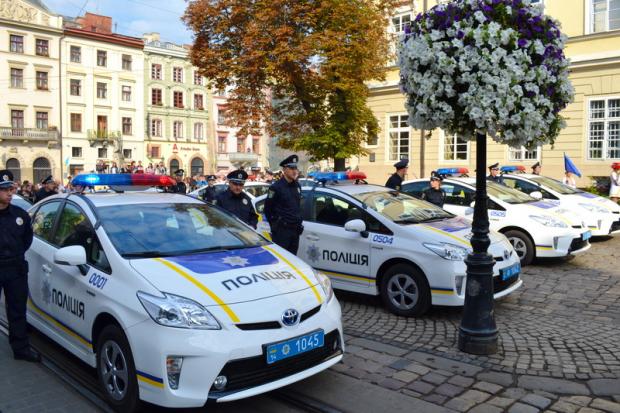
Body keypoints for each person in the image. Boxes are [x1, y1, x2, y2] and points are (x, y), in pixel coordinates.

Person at [0, 170, 40, 362]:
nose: (9, 193)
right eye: (4, 189)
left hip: (15, 268)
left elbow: (27, 240)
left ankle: (21, 349)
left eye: (11, 188)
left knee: (17, 310)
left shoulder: (20, 215)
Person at [264, 155, 303, 254]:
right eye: (291, 168)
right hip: (282, 231)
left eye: (295, 168)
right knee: (282, 259)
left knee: (293, 259)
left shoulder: (297, 186)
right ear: (284, 170)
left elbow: (297, 207)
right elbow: (268, 209)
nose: (294, 171)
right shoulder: (276, 187)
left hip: (295, 230)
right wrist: (276, 226)